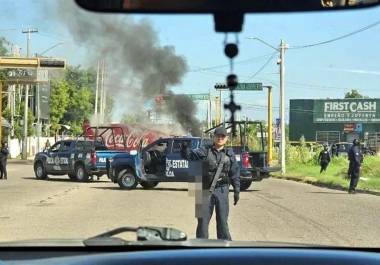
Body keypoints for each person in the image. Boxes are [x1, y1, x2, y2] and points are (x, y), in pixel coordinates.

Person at [181, 126, 240, 240]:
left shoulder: (230, 154)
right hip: (203, 190)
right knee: (202, 223)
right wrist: (185, 148)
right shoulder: (205, 150)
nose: (220, 138)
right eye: (218, 136)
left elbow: (235, 173)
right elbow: (189, 156)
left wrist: (237, 191)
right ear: (214, 137)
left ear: (226, 138)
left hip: (222, 191)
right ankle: (201, 250)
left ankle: (225, 249)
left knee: (223, 222)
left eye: (223, 136)